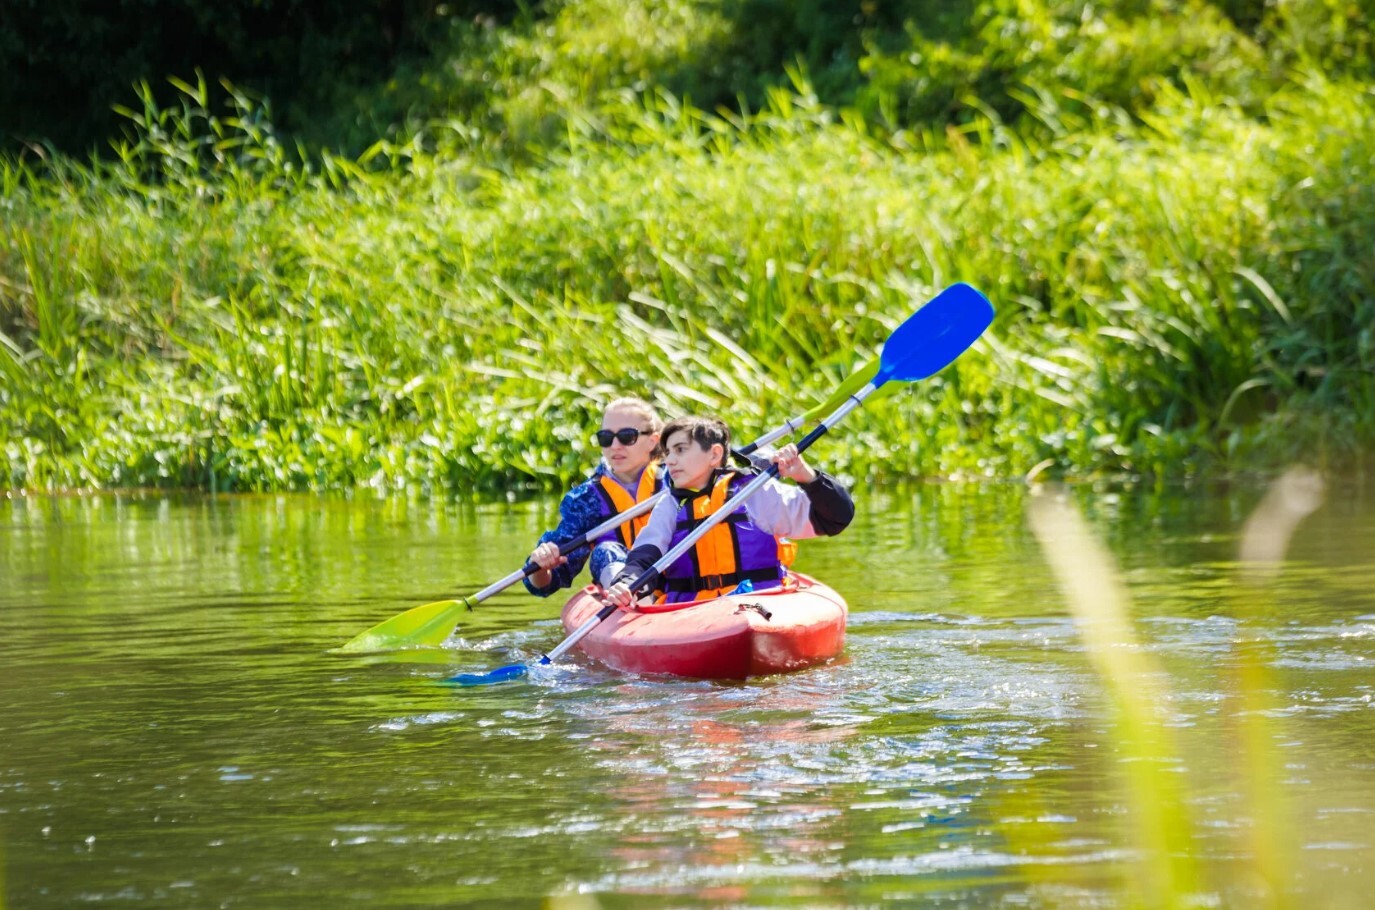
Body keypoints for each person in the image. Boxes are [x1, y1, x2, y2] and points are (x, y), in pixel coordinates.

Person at [602, 415, 853, 607]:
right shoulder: (669, 505)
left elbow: (834, 518)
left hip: (761, 601)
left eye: (680, 450)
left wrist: (804, 474)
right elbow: (646, 555)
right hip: (692, 610)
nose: (669, 461)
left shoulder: (754, 493)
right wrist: (628, 583)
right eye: (667, 453)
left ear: (715, 455)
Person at [524, 397, 667, 596]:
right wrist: (540, 566)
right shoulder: (587, 500)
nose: (615, 446)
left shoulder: (676, 480)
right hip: (623, 588)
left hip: (676, 578)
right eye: (606, 438)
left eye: (627, 436)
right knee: (605, 551)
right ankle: (632, 596)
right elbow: (549, 581)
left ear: (653, 441)